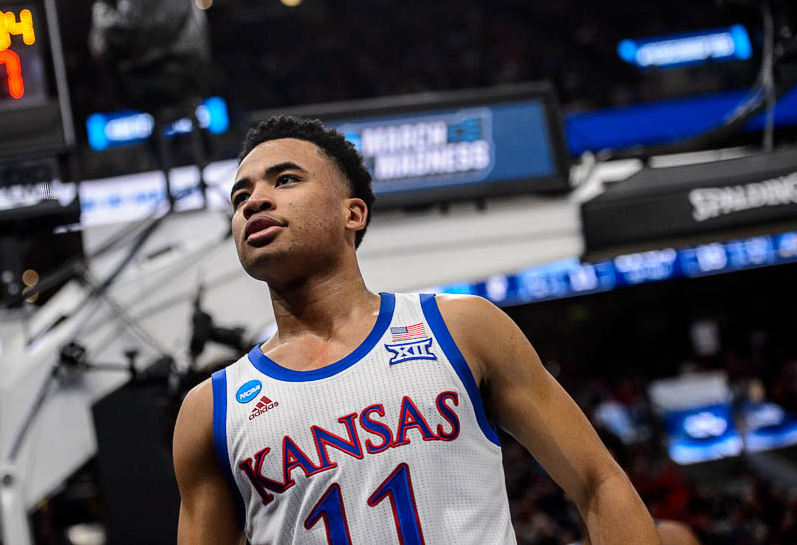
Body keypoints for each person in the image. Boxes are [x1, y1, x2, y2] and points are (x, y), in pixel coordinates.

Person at [173, 116, 659, 544]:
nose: (255, 201)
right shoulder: (210, 410)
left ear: (353, 212)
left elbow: (600, 484)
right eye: (241, 196)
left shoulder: (463, 327)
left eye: (285, 180)